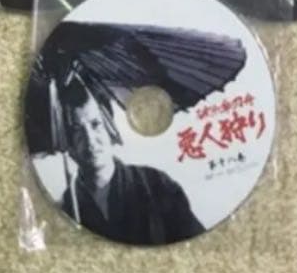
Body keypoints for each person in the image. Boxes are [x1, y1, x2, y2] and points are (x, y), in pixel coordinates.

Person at [59, 78, 205, 245]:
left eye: (96, 124)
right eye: (77, 130)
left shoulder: (156, 185)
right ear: (66, 142)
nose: (90, 140)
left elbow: (195, 245)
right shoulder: (67, 207)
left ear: (110, 127)